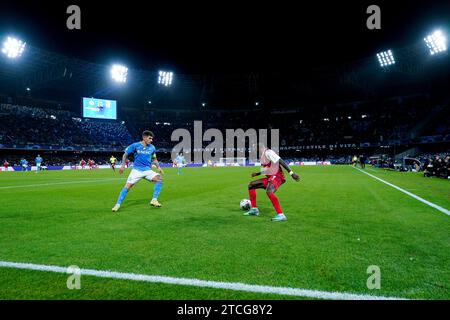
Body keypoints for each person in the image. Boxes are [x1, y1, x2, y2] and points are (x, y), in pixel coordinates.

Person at [245, 143, 300, 221]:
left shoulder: (268, 152)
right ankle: (254, 209)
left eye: (254, 149)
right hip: (271, 177)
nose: (253, 151)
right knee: (251, 185)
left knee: (269, 191)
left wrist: (291, 173)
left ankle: (281, 215)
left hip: (277, 176)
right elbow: (268, 169)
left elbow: (281, 161)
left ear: (259, 148)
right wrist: (257, 174)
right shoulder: (262, 156)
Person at [112, 130, 164, 212]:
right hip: (137, 171)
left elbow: (154, 158)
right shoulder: (135, 145)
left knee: (159, 179)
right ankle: (117, 205)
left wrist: (159, 167)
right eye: (150, 138)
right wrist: (122, 165)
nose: (151, 140)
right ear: (144, 137)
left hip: (148, 170)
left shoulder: (152, 147)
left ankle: (154, 200)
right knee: (128, 186)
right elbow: (125, 154)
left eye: (152, 139)